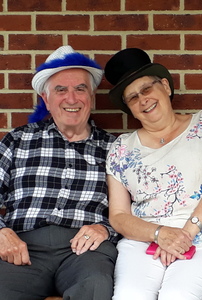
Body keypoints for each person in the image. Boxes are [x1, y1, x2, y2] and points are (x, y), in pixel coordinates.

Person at [104, 48, 202, 300]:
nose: (143, 100)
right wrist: (160, 234)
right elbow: (119, 215)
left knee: (177, 295)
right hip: (144, 242)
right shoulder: (121, 147)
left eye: (146, 89)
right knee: (129, 296)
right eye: (133, 98)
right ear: (130, 109)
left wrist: (183, 235)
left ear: (165, 86)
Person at [0, 45, 119, 300]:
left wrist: (106, 229)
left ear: (92, 96)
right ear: (46, 99)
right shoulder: (17, 141)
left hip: (87, 251)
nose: (72, 98)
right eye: (61, 90)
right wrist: (0, 233)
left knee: (96, 286)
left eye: (80, 88)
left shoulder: (114, 148)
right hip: (22, 249)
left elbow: (137, 210)